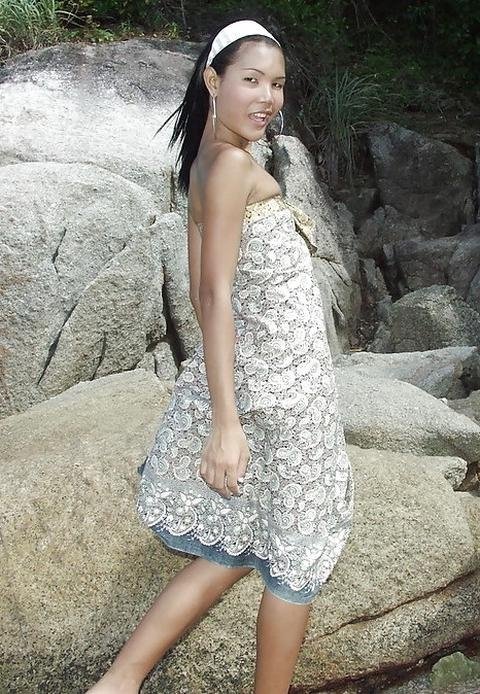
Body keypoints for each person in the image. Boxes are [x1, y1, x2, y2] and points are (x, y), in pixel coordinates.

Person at [86, 17, 354, 694]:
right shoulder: (232, 166)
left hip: (270, 381)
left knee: (240, 545)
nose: (268, 97)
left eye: (278, 84)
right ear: (213, 80)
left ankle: (119, 681)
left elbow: (204, 290)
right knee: (296, 562)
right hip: (284, 398)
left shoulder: (208, 159)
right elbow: (211, 291)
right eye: (251, 80)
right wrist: (226, 423)